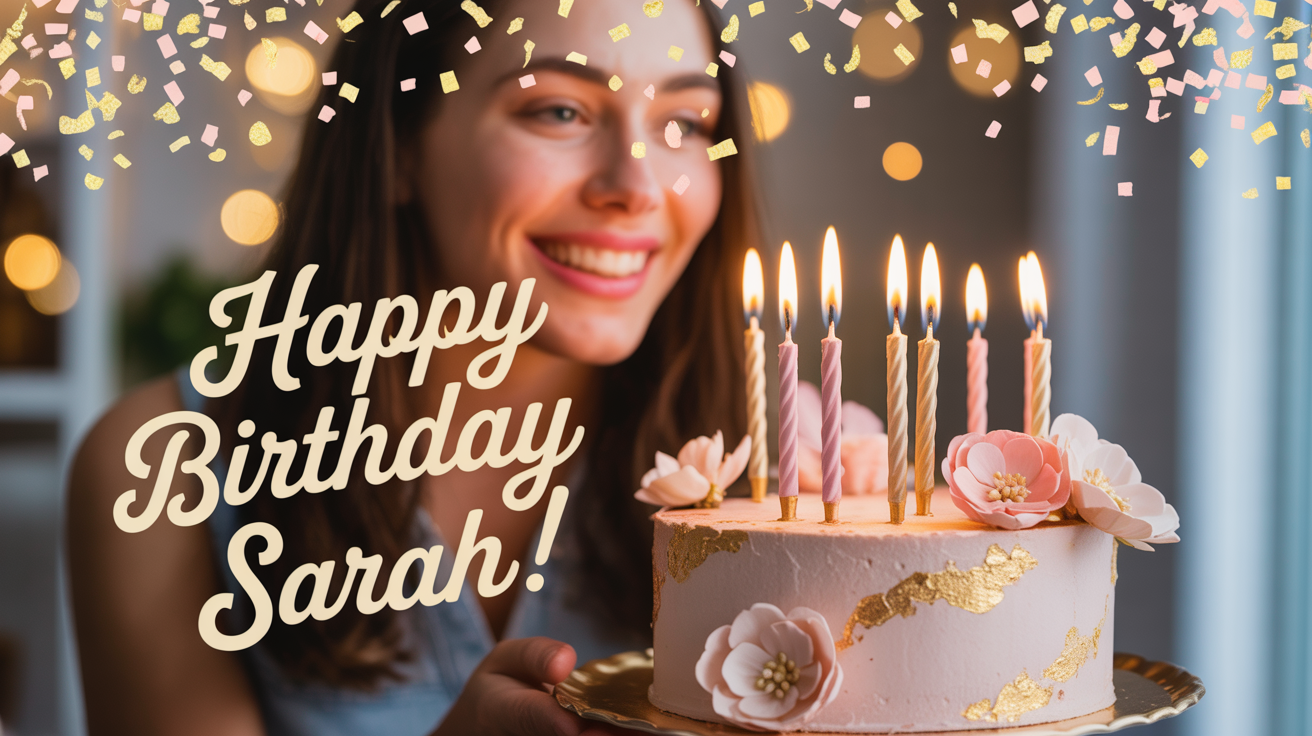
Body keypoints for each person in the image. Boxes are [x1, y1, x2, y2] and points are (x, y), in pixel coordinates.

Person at [67, 0, 761, 732]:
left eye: (685, 123)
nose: (639, 187)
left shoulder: (774, 471)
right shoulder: (166, 465)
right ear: (397, 142)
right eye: (559, 111)